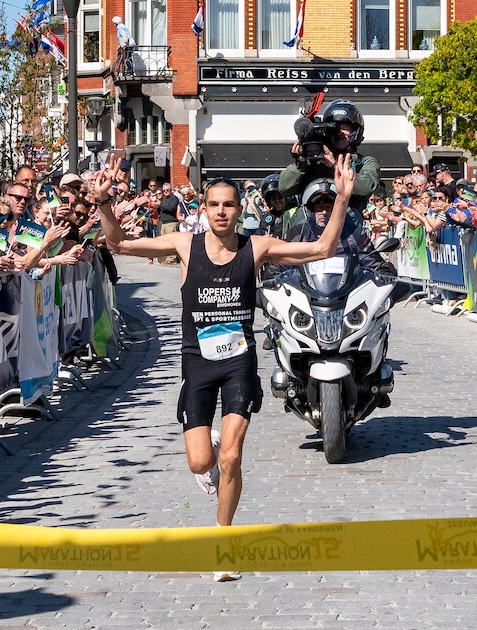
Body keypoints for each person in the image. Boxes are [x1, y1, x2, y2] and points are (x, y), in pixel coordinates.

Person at [94, 155, 355, 582]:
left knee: (232, 458)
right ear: (203, 208)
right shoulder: (183, 245)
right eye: (213, 204)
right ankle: (208, 452)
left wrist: (342, 199)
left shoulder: (258, 248)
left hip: (238, 362)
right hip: (197, 363)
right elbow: (120, 245)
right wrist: (104, 207)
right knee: (201, 464)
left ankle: (223, 545)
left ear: (239, 210)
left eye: (229, 205)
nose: (220, 211)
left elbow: (322, 249)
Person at [279, 99, 380, 210]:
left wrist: (335, 166)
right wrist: (301, 163)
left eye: (345, 128)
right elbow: (284, 189)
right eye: (334, 128)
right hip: (312, 224)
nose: (340, 133)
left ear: (356, 132)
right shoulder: (313, 161)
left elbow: (366, 188)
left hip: (348, 224)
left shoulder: (365, 162)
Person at [291, 178, 396, 278]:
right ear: (310, 212)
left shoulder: (354, 234)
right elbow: (282, 262)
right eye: (319, 208)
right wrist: (274, 270)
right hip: (306, 293)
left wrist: (385, 272)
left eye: (328, 209)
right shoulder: (298, 235)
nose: (323, 213)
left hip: (347, 294)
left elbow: (374, 262)